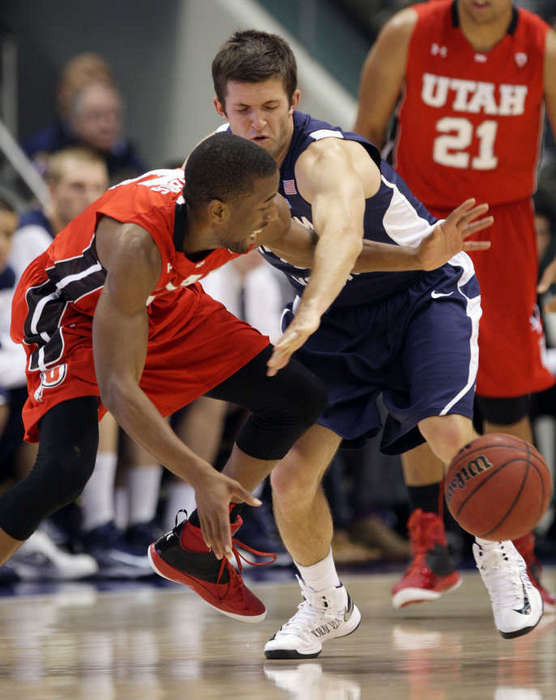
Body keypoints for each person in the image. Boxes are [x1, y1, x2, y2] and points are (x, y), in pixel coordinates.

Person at [148, 29, 539, 660]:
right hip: (332, 314)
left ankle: (498, 557)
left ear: (295, 100)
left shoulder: (327, 158)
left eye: (271, 108)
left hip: (422, 294)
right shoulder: (220, 165)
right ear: (221, 109)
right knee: (294, 472)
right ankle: (326, 605)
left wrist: (309, 315)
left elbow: (339, 243)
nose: (258, 124)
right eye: (243, 110)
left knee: (445, 430)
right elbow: (282, 246)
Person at [3, 132, 457, 602]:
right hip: (72, 313)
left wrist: (414, 257)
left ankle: (196, 546)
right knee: (63, 471)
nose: (273, 212)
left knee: (298, 396)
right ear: (217, 212)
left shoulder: (253, 209)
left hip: (165, 298)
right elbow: (119, 390)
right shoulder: (136, 243)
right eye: (263, 204)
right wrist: (201, 474)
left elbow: (316, 249)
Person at [354, 0, 556, 611]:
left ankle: (521, 560)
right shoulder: (407, 31)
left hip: (505, 229)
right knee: (422, 388)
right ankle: (430, 550)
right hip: (418, 222)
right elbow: (365, 140)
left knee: (506, 395)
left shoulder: (543, 47)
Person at [23, 52, 146, 181]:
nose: (108, 125)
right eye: (96, 115)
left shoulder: (124, 155)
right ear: (73, 115)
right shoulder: (42, 149)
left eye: (115, 114)